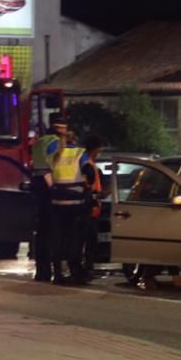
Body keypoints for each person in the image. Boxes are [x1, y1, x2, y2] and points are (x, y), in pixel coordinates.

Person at [43, 121, 90, 285]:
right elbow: (88, 171)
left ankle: (57, 274)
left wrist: (54, 188)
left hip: (57, 203)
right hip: (76, 204)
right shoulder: (80, 153)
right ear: (75, 139)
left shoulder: (52, 151)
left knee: (57, 239)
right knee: (75, 241)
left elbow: (45, 173)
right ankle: (75, 273)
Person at [29, 114, 65, 281]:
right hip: (49, 193)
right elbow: (46, 170)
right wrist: (54, 188)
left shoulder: (38, 143)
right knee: (53, 233)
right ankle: (55, 272)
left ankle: (42, 271)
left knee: (42, 233)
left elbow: (37, 168)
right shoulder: (53, 143)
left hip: (39, 192)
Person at [78, 135, 105, 282]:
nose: (99, 152)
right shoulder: (88, 164)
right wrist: (98, 196)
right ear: (95, 149)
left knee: (88, 240)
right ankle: (87, 268)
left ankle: (87, 267)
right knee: (89, 240)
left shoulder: (89, 163)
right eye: (99, 149)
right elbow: (89, 187)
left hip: (91, 206)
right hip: (89, 208)